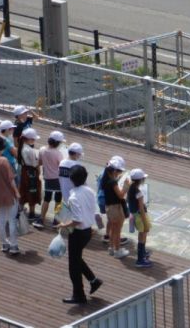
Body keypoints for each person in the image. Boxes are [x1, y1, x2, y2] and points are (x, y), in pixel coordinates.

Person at [58, 165, 103, 305]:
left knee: (73, 265)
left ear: (71, 180)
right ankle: (93, 280)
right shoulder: (89, 191)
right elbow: (93, 211)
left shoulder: (73, 197)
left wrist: (63, 225)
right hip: (88, 231)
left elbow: (77, 220)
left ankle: (79, 295)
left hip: (78, 233)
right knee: (76, 259)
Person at [0, 136, 21, 255]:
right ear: (1, 149)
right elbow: (11, 180)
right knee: (11, 220)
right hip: (9, 195)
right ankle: (14, 245)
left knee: (1, 221)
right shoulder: (3, 161)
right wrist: (16, 192)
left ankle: (4, 243)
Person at [101, 156, 130, 259]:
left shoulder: (104, 180)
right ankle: (117, 251)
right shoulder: (113, 182)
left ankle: (111, 248)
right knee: (117, 231)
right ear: (114, 171)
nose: (119, 173)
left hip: (109, 208)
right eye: (118, 171)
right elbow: (121, 195)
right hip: (116, 209)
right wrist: (126, 186)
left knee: (113, 229)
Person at [38, 130, 66, 228]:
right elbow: (61, 166)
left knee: (47, 198)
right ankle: (56, 220)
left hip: (47, 177)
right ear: (58, 143)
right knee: (58, 200)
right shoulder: (58, 154)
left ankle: (41, 219)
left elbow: (40, 162)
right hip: (57, 179)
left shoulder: (42, 149)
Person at [126, 169, 153, 268]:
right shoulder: (139, 193)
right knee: (142, 236)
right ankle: (140, 260)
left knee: (141, 235)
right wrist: (145, 223)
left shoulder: (130, 188)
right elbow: (141, 209)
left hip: (134, 215)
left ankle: (143, 253)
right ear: (141, 180)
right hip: (140, 216)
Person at [18, 127, 42, 224]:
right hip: (31, 172)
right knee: (32, 191)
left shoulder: (22, 147)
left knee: (23, 190)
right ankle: (32, 213)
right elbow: (34, 163)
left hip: (24, 171)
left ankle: (20, 210)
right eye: (33, 139)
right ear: (28, 139)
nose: (34, 140)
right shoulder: (30, 150)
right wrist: (40, 163)